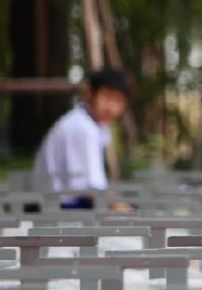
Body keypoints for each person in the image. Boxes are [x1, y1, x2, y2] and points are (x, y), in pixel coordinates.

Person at [33, 69, 133, 211]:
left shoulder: (93, 124)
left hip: (66, 203)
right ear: (90, 94)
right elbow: (93, 190)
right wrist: (128, 212)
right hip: (61, 208)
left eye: (118, 100)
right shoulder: (83, 129)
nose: (112, 107)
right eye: (107, 97)